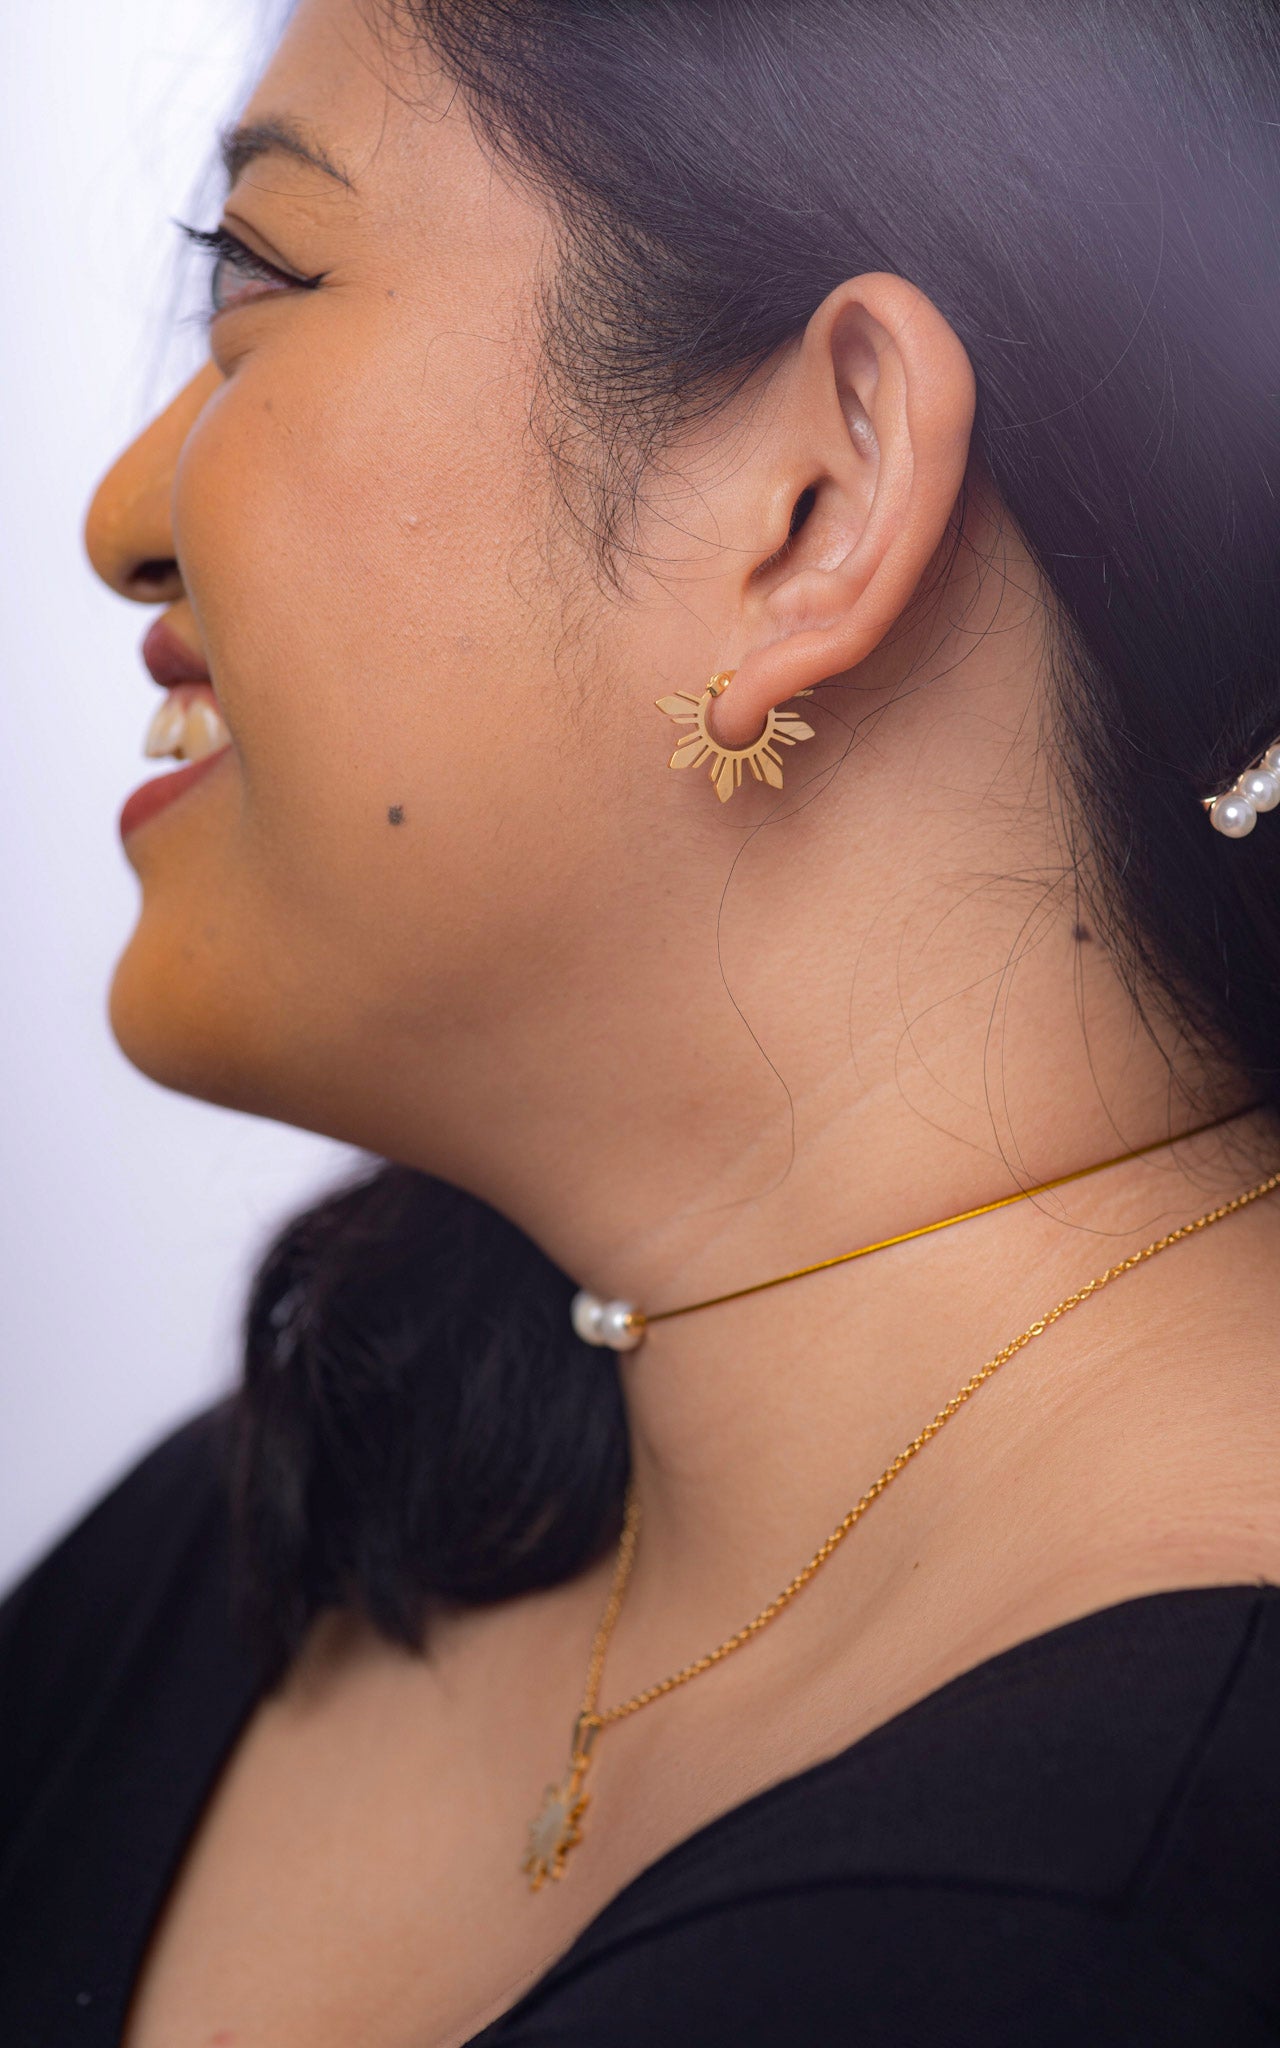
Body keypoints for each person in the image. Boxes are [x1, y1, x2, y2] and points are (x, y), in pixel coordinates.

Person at [3, 0, 1279, 2040]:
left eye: (265, 283)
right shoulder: (288, 1525)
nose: (115, 515)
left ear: (813, 499)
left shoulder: (1144, 1923)